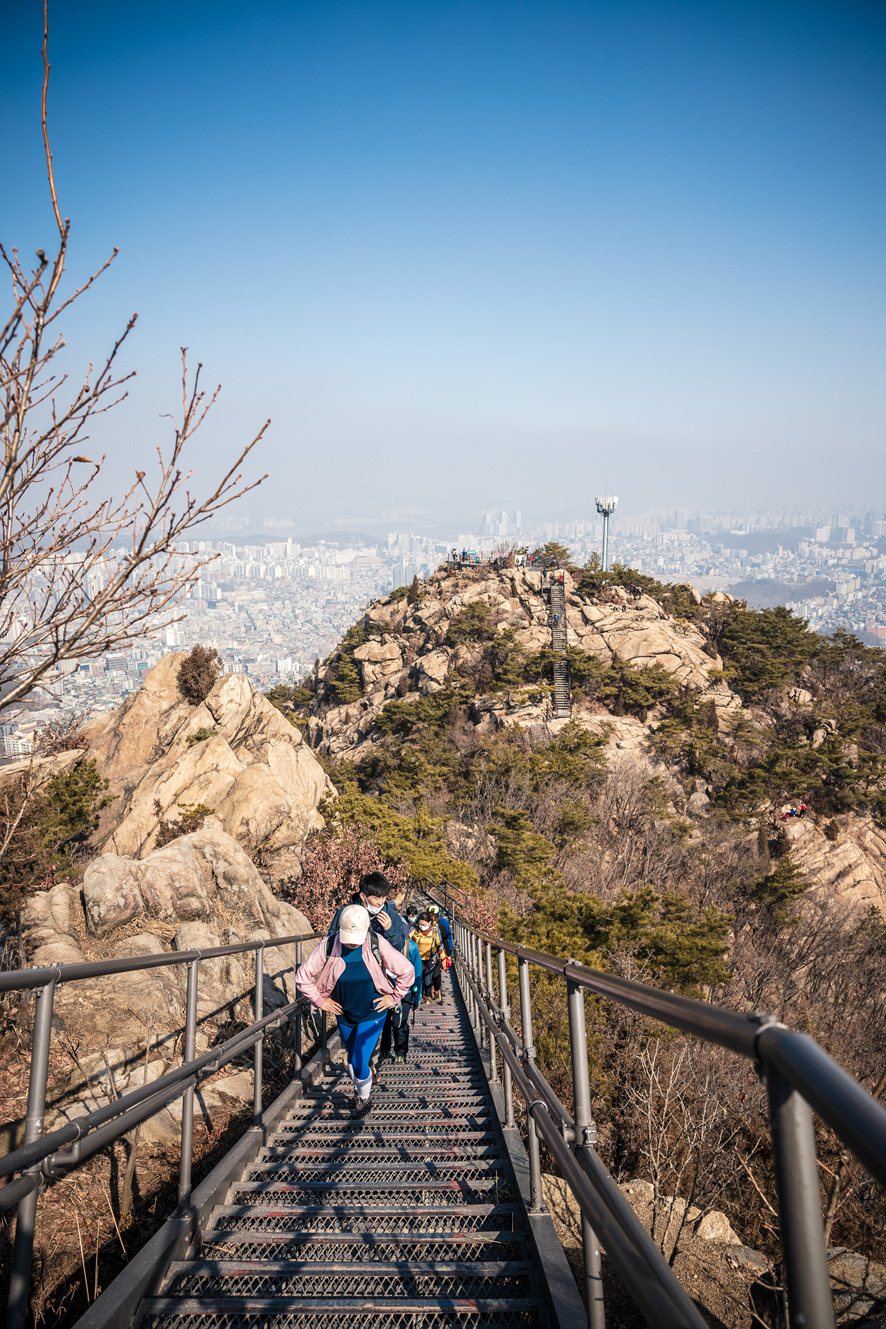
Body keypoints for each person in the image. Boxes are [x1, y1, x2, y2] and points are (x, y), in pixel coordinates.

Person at [296, 904, 414, 1119]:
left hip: (373, 1011)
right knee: (352, 1061)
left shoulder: (377, 943)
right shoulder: (329, 945)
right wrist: (320, 1001)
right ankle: (362, 1091)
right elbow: (303, 977)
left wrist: (394, 997)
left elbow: (407, 971)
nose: (351, 941)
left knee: (359, 1059)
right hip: (343, 1012)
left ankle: (364, 1098)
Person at [329, 871, 406, 954]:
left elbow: (399, 947)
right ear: (363, 896)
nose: (381, 902)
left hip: (378, 965)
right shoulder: (345, 913)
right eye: (376, 899)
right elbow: (331, 941)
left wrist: (390, 930)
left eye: (384, 897)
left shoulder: (391, 915)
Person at [379, 930, 422, 1063]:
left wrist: (417, 996)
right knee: (384, 1023)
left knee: (400, 1023)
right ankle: (384, 1049)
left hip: (405, 992)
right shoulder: (379, 945)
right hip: (384, 991)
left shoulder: (411, 947)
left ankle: (401, 1052)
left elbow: (417, 972)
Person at [411, 910, 446, 1004]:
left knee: (428, 978)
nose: (422, 926)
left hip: (431, 957)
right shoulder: (415, 929)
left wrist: (440, 949)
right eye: (420, 924)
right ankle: (416, 995)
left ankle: (427, 997)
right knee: (417, 976)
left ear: (430, 922)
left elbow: (439, 941)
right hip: (418, 957)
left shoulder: (434, 930)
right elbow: (408, 939)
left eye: (424, 924)